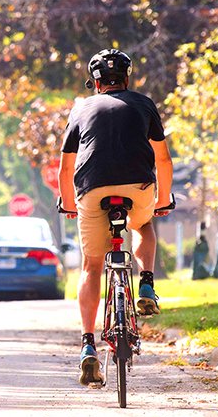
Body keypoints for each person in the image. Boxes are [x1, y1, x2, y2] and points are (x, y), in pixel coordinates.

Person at [56, 49, 174, 386]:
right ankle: (147, 284)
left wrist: (68, 204)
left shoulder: (80, 108)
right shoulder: (144, 103)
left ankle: (87, 344)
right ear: (127, 79)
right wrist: (163, 199)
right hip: (138, 187)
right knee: (144, 225)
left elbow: (66, 165)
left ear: (95, 82)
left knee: (92, 266)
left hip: (91, 189)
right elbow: (163, 160)